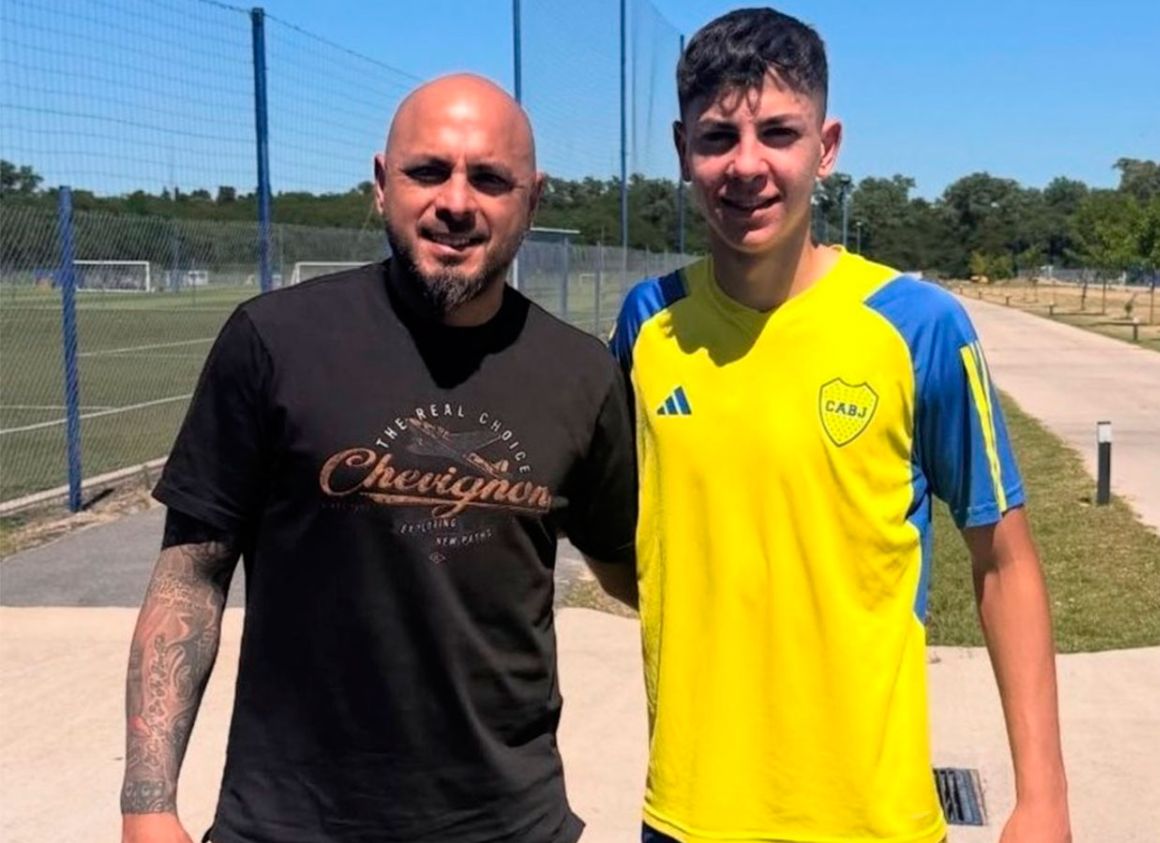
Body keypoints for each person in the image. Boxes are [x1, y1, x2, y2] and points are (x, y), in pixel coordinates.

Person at [120, 74, 637, 843]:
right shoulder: (274, 340)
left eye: (490, 179)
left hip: (506, 824)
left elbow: (637, 569)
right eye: (427, 171)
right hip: (291, 822)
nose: (456, 202)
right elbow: (191, 574)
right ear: (381, 184)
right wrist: (146, 803)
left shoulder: (581, 374)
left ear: (533, 199)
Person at [610, 9, 1070, 843]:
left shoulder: (918, 326)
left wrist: (1043, 800)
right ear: (682, 149)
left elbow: (1004, 561)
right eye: (717, 137)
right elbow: (620, 537)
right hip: (687, 814)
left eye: (778, 133)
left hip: (870, 818)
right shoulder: (648, 323)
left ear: (826, 147)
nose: (746, 165)